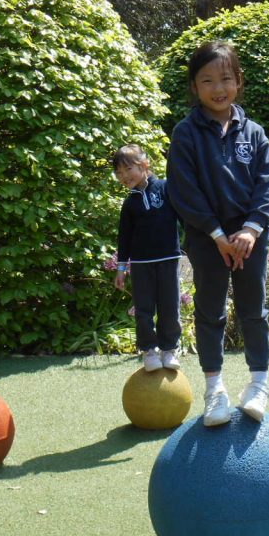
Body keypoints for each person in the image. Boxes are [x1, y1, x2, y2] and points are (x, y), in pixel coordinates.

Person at [166, 41, 269, 427]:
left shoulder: (255, 133)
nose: (218, 88)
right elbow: (184, 190)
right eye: (207, 80)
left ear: (238, 82)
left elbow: (266, 184)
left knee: (254, 310)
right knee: (209, 311)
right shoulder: (185, 134)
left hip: (251, 241)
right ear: (194, 87)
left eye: (226, 79)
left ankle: (259, 385)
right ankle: (215, 390)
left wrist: (250, 230)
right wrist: (217, 234)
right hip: (206, 239)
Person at [112, 144, 183, 373]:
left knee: (170, 306)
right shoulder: (129, 203)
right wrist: (121, 268)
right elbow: (124, 238)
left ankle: (169, 349)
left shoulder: (166, 189)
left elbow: (186, 218)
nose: (123, 177)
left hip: (168, 259)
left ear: (144, 165)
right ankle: (149, 350)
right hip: (141, 265)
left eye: (128, 169)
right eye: (119, 174)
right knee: (143, 309)